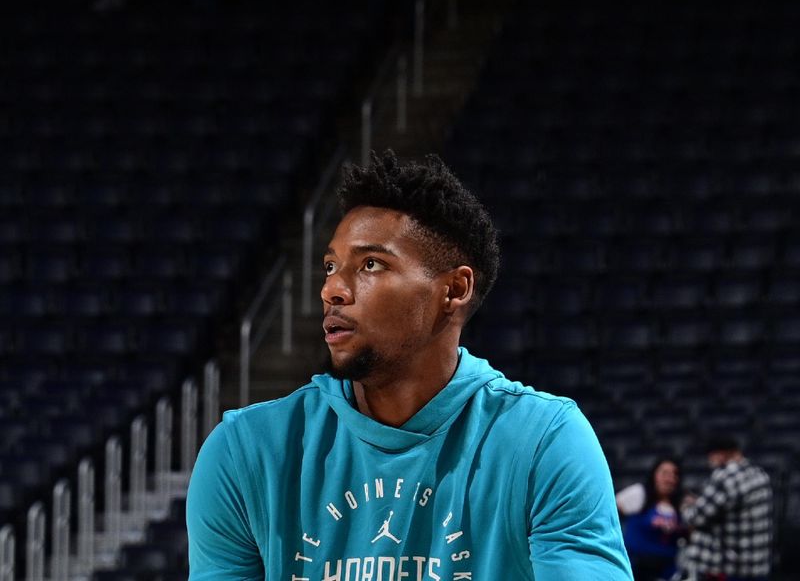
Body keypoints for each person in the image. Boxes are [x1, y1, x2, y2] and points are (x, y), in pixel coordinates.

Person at [186, 150, 633, 579]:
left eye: (371, 264)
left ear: (454, 290)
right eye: (330, 266)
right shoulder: (245, 451)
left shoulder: (542, 442)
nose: (332, 290)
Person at [679, 436, 772, 581]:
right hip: (758, 566)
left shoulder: (726, 476)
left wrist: (686, 506)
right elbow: (732, 506)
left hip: (732, 568)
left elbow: (696, 517)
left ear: (720, 454)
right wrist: (701, 501)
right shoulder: (760, 474)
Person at [616, 457, 685, 581]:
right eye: (665, 473)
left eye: (674, 474)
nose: (670, 479)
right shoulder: (639, 493)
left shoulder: (681, 505)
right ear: (654, 475)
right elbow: (610, 514)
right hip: (636, 569)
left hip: (667, 570)